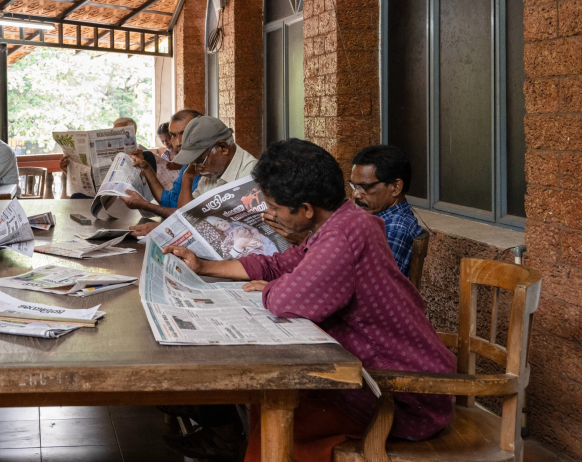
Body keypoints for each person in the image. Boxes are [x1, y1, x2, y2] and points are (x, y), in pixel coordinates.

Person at [164, 139, 456, 462]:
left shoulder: (342, 238)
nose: (269, 215)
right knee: (267, 402)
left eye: (274, 208)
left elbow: (283, 298)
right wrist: (204, 266)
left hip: (401, 397)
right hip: (378, 381)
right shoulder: (340, 222)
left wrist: (274, 287)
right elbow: (279, 265)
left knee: (281, 416)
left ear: (305, 209)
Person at [129, 115, 257, 237]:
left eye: (199, 160)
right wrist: (187, 178)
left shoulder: (251, 175)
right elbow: (187, 216)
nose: (196, 167)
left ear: (223, 148)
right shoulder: (208, 170)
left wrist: (166, 228)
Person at [350, 145, 424, 276]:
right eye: (354, 186)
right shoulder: (376, 218)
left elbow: (375, 285)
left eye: (364, 187)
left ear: (395, 187)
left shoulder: (395, 228)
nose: (356, 194)